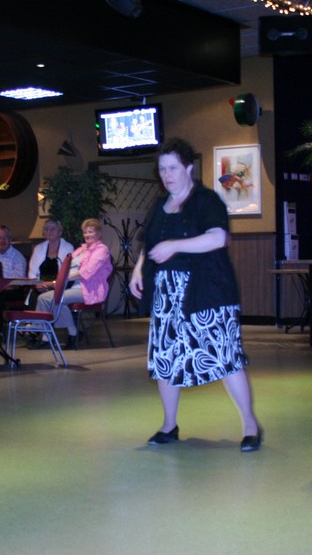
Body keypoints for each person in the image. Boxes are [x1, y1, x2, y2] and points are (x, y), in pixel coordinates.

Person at [129, 138, 262, 452]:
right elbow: (150, 244)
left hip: (206, 292)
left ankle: (250, 425)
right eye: (162, 169)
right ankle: (169, 425)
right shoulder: (159, 205)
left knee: (225, 358)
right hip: (167, 295)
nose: (167, 175)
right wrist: (138, 269)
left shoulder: (206, 200)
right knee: (164, 358)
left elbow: (217, 238)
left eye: (173, 168)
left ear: (189, 168)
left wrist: (175, 246)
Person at [32, 218, 113, 349]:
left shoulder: (102, 250)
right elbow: (66, 268)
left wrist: (60, 280)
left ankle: (63, 333)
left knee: (51, 298)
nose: (87, 235)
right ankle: (48, 336)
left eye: (91, 232)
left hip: (90, 290)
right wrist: (54, 283)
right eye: (85, 232)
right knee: (44, 298)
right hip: (74, 287)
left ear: (99, 234)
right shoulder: (81, 250)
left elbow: (86, 272)